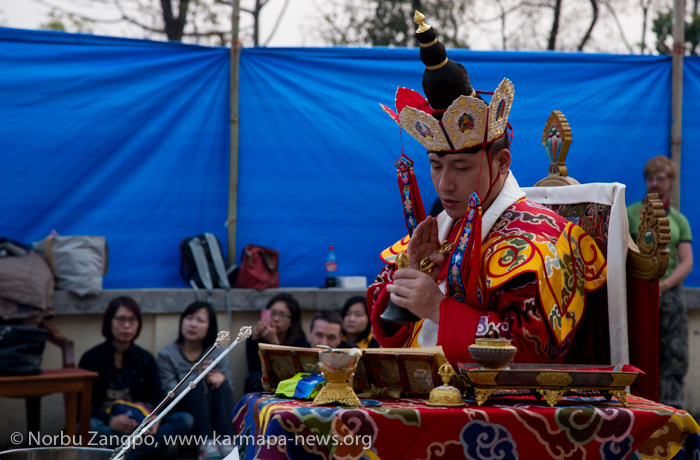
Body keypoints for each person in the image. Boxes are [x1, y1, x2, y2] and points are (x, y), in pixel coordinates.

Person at [368, 11, 607, 367]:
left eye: (461, 167)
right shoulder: (442, 229)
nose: (445, 184)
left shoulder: (541, 242)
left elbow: (536, 348)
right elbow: (385, 322)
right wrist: (413, 273)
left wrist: (438, 308)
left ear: (502, 162)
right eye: (436, 166)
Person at [78, 296, 193, 459]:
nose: (126, 326)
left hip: (139, 424)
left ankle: (120, 454)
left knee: (184, 420)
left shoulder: (145, 358)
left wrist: (155, 418)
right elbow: (81, 406)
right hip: (108, 425)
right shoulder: (91, 358)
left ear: (138, 324)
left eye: (132, 320)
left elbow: (158, 398)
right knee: (88, 426)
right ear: (109, 322)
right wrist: (110, 420)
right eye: (120, 319)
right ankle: (132, 452)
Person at [627, 155, 693, 408]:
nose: (654, 183)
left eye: (660, 178)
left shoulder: (679, 220)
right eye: (650, 178)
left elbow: (687, 263)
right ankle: (639, 409)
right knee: (638, 353)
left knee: (674, 356)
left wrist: (663, 286)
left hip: (670, 296)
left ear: (671, 181)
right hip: (638, 293)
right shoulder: (631, 214)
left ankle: (672, 413)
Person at [157, 301, 235, 460]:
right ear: (182, 321)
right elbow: (169, 393)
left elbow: (230, 391)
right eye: (189, 318)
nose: (192, 324)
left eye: (200, 320)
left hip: (214, 407)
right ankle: (205, 443)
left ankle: (227, 441)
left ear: (210, 327)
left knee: (223, 384)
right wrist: (195, 376)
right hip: (184, 410)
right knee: (197, 384)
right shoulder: (167, 354)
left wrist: (222, 377)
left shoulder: (218, 351)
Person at [244, 293, 309, 393]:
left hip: (290, 386)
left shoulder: (300, 342)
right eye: (273, 313)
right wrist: (254, 340)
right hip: (264, 385)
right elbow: (253, 368)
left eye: (282, 315)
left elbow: (289, 374)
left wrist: (275, 344)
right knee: (253, 379)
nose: (276, 319)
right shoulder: (260, 336)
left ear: (292, 321)